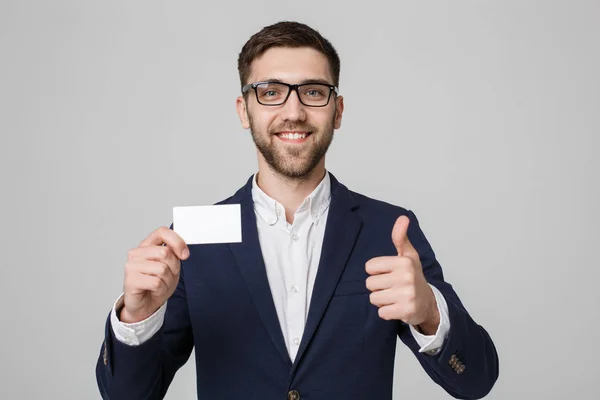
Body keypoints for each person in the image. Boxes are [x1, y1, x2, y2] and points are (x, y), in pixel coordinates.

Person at [95, 21, 499, 400]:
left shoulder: (387, 229)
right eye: (271, 91)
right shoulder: (193, 239)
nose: (293, 111)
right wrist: (136, 317)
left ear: (337, 111)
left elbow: (477, 379)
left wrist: (429, 312)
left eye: (313, 91)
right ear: (243, 110)